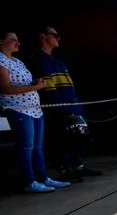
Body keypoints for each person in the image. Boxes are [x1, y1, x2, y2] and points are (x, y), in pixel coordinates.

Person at [0, 30, 70, 193]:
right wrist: (35, 87)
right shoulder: (1, 61)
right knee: (26, 147)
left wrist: (34, 83)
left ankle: (43, 177)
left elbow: (22, 83)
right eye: (12, 40)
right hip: (18, 108)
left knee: (37, 146)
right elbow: (6, 89)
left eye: (18, 40)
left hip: (34, 108)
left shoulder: (18, 61)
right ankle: (29, 181)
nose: (17, 43)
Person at [30, 26, 101, 182]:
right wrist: (63, 108)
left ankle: (78, 166)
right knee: (60, 139)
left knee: (76, 137)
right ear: (43, 36)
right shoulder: (39, 59)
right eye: (54, 35)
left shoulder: (58, 60)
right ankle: (64, 170)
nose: (58, 38)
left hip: (72, 105)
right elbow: (48, 88)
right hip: (57, 109)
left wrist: (75, 106)